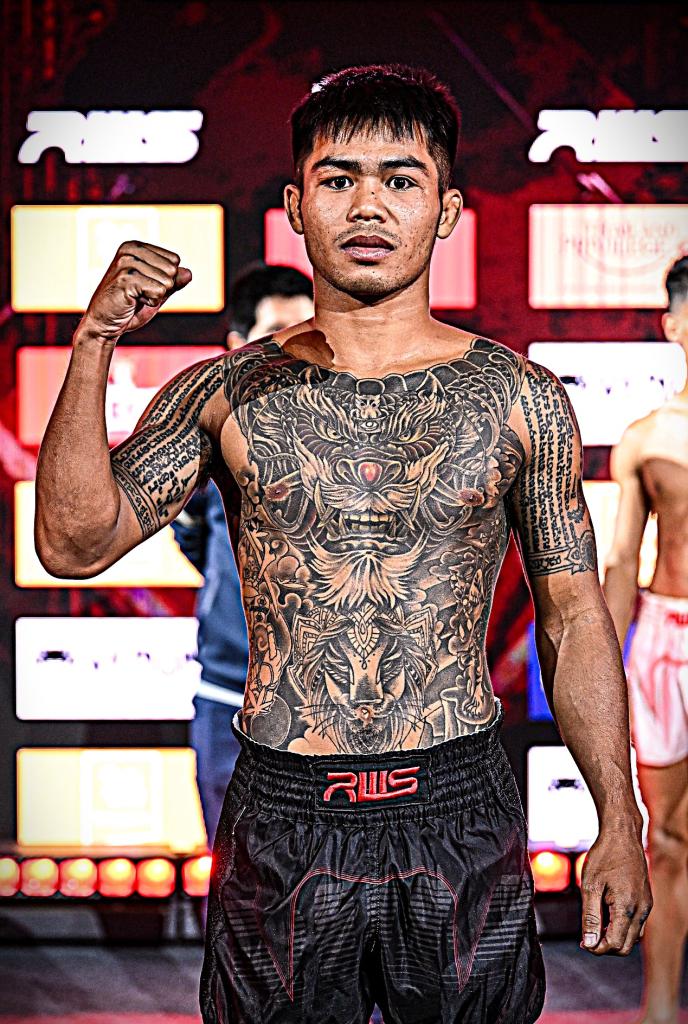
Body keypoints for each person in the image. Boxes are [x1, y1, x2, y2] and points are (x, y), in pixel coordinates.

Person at [35, 64, 650, 1024]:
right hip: (284, 815)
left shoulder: (518, 398)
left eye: (401, 179)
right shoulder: (225, 393)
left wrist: (619, 817)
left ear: (447, 210)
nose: (369, 205)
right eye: (338, 178)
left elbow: (573, 617)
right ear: (296, 207)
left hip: (458, 805)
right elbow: (73, 545)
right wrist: (94, 341)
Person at [173, 263, 313, 850]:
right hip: (233, 697)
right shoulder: (203, 436)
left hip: (336, 715)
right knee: (240, 887)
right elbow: (198, 541)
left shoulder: (369, 437)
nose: (296, 350)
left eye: (310, 332)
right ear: (238, 345)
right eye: (277, 334)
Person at [604, 254, 688, 1024]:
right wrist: (601, 669)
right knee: (667, 837)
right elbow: (623, 562)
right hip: (666, 642)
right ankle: (659, 1010)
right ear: (673, 325)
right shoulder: (644, 438)